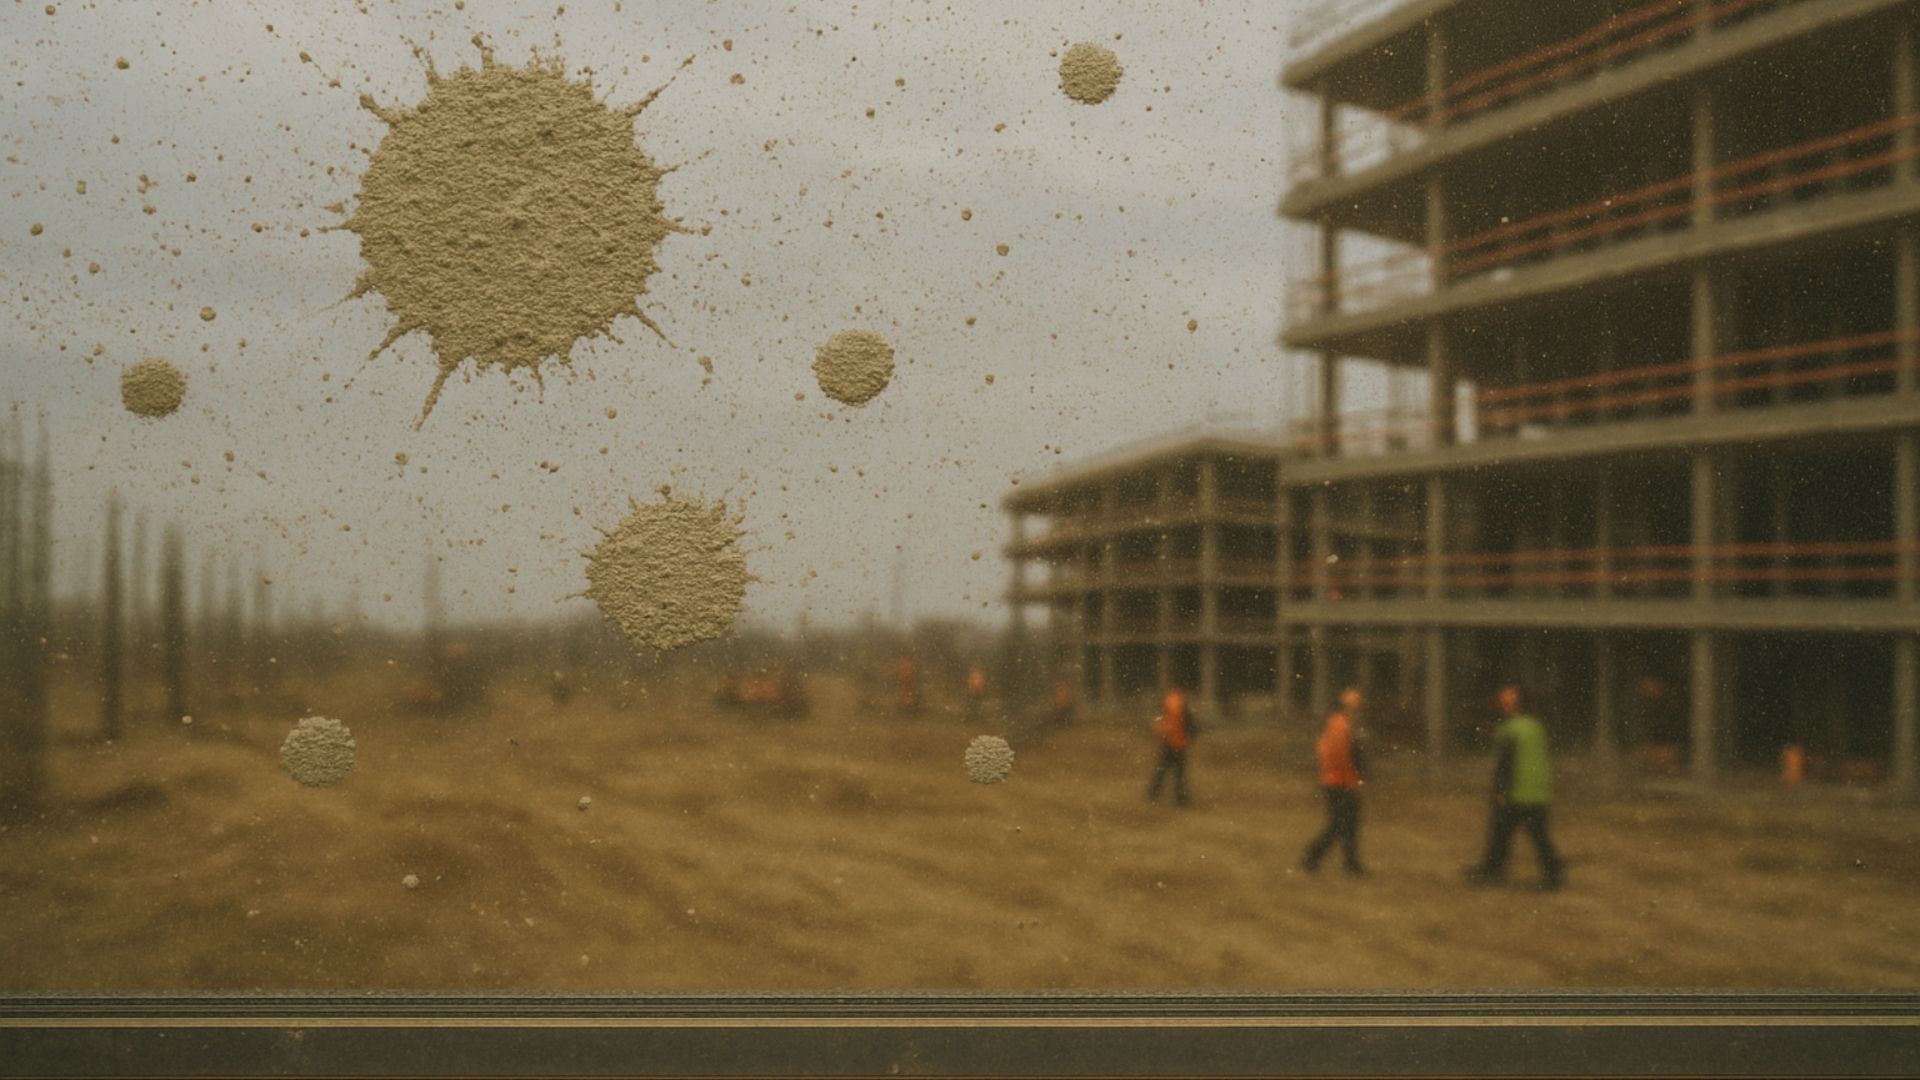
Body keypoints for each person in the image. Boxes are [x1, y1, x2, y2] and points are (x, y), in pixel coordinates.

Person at [1467, 685, 1564, 891]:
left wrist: (1500, 791)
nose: (1502, 703)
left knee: (1502, 833)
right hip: (1537, 791)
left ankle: (1492, 870)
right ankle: (1553, 874)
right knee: (1536, 836)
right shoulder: (1536, 726)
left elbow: (1505, 764)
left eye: (1505, 700)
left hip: (1517, 791)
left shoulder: (1509, 729)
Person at [1301, 686, 1368, 876]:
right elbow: (1341, 757)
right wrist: (1352, 781)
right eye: (1358, 706)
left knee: (1347, 825)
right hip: (1339, 783)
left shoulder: (1337, 723)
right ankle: (1312, 856)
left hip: (1335, 781)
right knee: (1340, 825)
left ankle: (1351, 864)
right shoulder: (1341, 725)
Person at [1145, 689, 1199, 807]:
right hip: (1180, 744)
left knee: (1161, 770)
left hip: (1167, 743)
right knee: (1180, 773)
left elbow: (1160, 722)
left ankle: (1152, 793)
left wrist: (1160, 737)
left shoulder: (1167, 702)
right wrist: (1192, 736)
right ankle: (1180, 798)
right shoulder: (1183, 706)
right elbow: (1191, 725)